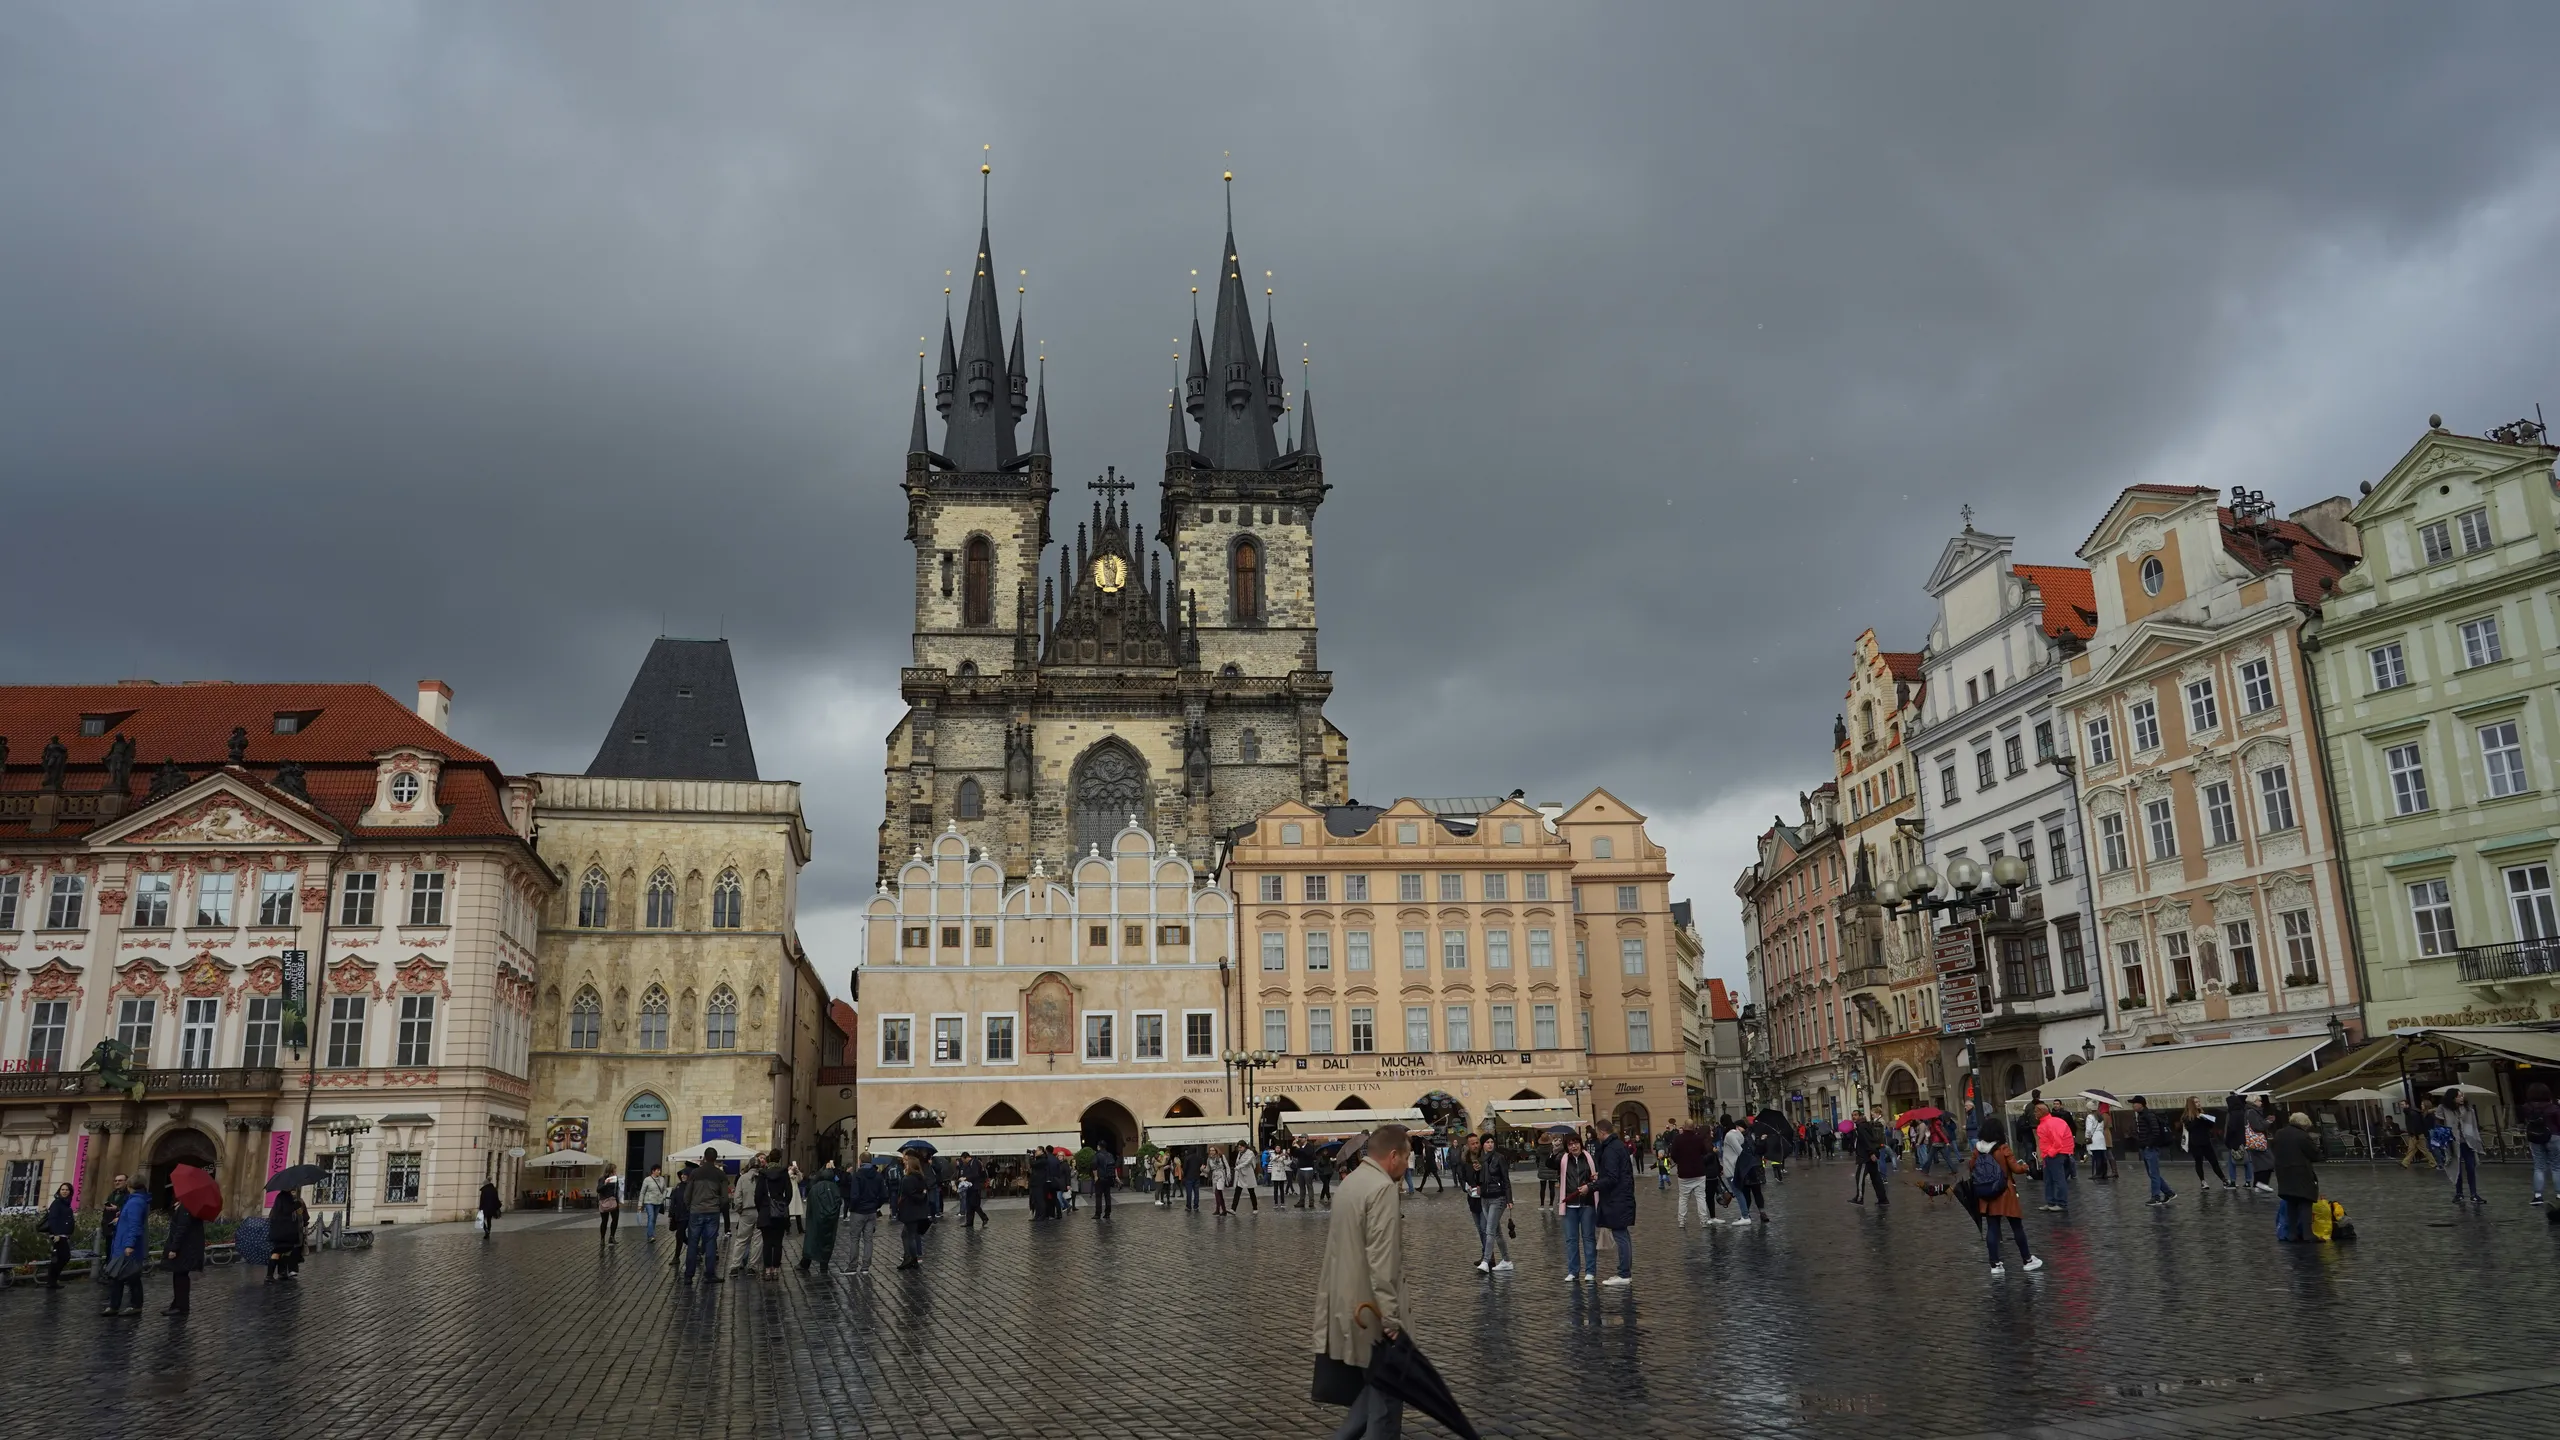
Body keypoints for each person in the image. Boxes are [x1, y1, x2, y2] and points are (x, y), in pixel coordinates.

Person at [1312, 1127, 1410, 1439]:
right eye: (1407, 1157)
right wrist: (1392, 1318)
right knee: (1385, 1409)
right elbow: (1382, 1261)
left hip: (1347, 1304)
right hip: (1373, 1312)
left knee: (1370, 1396)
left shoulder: (1352, 1182)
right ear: (1393, 1156)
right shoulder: (1382, 1189)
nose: (1409, 1165)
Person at [1971, 1113, 2041, 1277]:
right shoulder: (2003, 1148)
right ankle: (2027, 1260)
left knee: (1993, 1228)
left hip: (1987, 1193)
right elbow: (2016, 1169)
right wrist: (2025, 1167)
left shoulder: (1977, 1149)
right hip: (2005, 1191)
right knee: (2016, 1227)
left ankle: (1995, 1264)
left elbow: (1971, 1167)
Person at [1591, 1116, 1637, 1287]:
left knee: (1620, 1235)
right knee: (1623, 1234)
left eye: (1597, 1133)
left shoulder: (1611, 1149)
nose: (1597, 1136)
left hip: (1617, 1198)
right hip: (1622, 1196)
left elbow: (1612, 1177)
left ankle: (1624, 1273)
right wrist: (1600, 1175)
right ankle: (1625, 1271)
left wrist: (1593, 1185)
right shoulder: (1618, 1146)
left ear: (1602, 1132)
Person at [679, 1147, 730, 1283]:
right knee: (710, 1243)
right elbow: (725, 1198)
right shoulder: (720, 1175)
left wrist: (690, 1207)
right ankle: (709, 1274)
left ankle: (689, 1276)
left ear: (704, 1157)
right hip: (712, 1211)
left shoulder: (695, 1173)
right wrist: (718, 1206)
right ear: (715, 1158)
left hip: (696, 1211)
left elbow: (687, 1194)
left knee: (693, 1243)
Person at [2271, 1111, 2323, 1240]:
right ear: (2304, 1124)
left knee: (2291, 1201)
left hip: (2283, 1172)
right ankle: (2308, 1234)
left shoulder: (2279, 1133)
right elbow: (2314, 1154)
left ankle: (2292, 1233)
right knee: (2305, 1201)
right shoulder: (2302, 1136)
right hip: (2300, 1172)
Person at [1557, 1131, 1599, 1280]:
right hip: (1570, 1205)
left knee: (1588, 1238)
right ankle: (1573, 1271)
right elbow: (1549, 1163)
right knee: (1571, 1239)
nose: (1573, 1146)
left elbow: (1597, 1176)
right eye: (1570, 1144)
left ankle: (1590, 1271)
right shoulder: (1563, 1159)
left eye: (1575, 1143)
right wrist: (1554, 1149)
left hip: (1587, 1203)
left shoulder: (1589, 1158)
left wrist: (1593, 1181)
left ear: (1581, 1144)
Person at [102, 1183, 149, 1317]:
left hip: (126, 1246)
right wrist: (121, 1216)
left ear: (131, 1187)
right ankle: (114, 1305)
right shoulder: (135, 1201)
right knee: (118, 1276)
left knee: (131, 1276)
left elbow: (135, 1226)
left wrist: (129, 1245)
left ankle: (134, 1305)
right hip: (122, 1244)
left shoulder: (135, 1202)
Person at [841, 1156, 887, 1273]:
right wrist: (876, 1206)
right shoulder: (877, 1175)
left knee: (855, 1239)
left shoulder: (858, 1175)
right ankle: (865, 1266)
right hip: (871, 1211)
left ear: (860, 1161)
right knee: (868, 1239)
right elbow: (883, 1195)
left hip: (858, 1211)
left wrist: (853, 1207)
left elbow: (855, 1195)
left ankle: (852, 1266)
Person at [161, 1196, 206, 1316]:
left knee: (181, 1276)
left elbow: (182, 1228)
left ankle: (181, 1306)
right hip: (187, 1248)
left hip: (184, 1249)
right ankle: (178, 1304)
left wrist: (174, 1248)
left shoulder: (187, 1207)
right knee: (179, 1275)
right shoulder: (188, 1206)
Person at [1476, 1137, 1514, 1273]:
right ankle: (1507, 1260)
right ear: (1483, 1145)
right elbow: (1478, 1179)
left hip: (1498, 1197)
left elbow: (1506, 1179)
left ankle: (1486, 1261)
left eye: (1492, 1142)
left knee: (1489, 1230)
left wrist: (1509, 1200)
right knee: (1496, 1232)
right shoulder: (1480, 1159)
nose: (1490, 1144)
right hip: (1485, 1198)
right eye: (1487, 1142)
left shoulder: (1499, 1158)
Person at [753, 1152, 794, 1277]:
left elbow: (757, 1195)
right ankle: (775, 1269)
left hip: (765, 1210)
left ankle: (767, 1269)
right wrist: (783, 1203)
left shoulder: (763, 1175)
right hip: (779, 1211)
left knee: (767, 1242)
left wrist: (762, 1208)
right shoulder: (783, 1174)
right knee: (777, 1242)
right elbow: (789, 1193)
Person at [2441, 1090, 2486, 1205]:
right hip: (2453, 1142)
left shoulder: (2468, 1109)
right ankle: (2459, 1193)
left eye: (2462, 1095)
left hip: (2467, 1142)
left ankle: (2474, 1194)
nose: (2462, 1098)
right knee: (2457, 1169)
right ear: (2452, 1098)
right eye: (2459, 1096)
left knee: (2471, 1167)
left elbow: (2474, 1125)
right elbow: (2440, 1123)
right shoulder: (2444, 1109)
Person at [800, 1157, 844, 1272]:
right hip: (830, 1221)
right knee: (827, 1242)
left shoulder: (815, 1188)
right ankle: (823, 1264)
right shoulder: (835, 1188)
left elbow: (810, 1205)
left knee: (812, 1239)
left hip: (816, 1219)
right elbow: (838, 1203)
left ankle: (806, 1262)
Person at [2130, 1095, 2174, 1206]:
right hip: (2145, 1148)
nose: (2133, 1106)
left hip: (2151, 1148)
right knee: (2152, 1174)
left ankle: (2156, 1197)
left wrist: (2149, 1145)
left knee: (2154, 1173)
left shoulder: (2148, 1115)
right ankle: (2169, 1193)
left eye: (2134, 1103)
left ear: (2141, 1104)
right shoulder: (2141, 1116)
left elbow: (2155, 1131)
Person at [892, 1150, 933, 1270]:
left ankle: (911, 1258)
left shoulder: (908, 1179)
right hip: (919, 1212)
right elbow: (923, 1193)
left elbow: (910, 1194)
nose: (904, 1164)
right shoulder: (921, 1177)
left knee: (909, 1235)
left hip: (910, 1211)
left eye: (906, 1162)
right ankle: (910, 1257)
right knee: (909, 1234)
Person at [1670, 1119, 1715, 1228]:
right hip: (1699, 1172)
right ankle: (1703, 1221)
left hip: (1684, 1173)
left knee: (1683, 1198)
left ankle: (1682, 1221)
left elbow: (1673, 1154)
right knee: (1701, 1198)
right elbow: (1704, 1152)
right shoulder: (1698, 1139)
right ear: (1694, 1126)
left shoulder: (1678, 1139)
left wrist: (1680, 1162)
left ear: (1684, 1126)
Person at [2525, 1082, 2560, 1206]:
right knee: (2556, 1167)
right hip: (2553, 1136)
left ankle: (2537, 1195)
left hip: (2535, 1137)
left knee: (2539, 1166)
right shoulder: (2553, 1108)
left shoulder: (2527, 1107)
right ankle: (2559, 1193)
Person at [2036, 1103, 2075, 1214]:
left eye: (2036, 1111)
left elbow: (2057, 1142)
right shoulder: (2049, 1122)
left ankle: (2061, 1203)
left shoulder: (2049, 1123)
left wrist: (2050, 1153)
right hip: (2053, 1154)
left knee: (2058, 1179)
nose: (2035, 1113)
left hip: (2056, 1154)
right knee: (2049, 1179)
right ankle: (2051, 1202)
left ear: (2042, 1112)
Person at [2179, 1098, 2227, 1186]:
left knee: (2214, 1161)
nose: (2198, 1104)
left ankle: (2224, 1179)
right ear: (2192, 1104)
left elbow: (2210, 1126)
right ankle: (2203, 1181)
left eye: (2198, 1102)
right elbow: (2190, 1128)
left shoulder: (2202, 1114)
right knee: (2199, 1162)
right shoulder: (2187, 1117)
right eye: (2196, 1102)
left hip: (2206, 1141)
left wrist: (2205, 1118)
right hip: (2195, 1143)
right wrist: (2198, 1118)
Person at [39, 1182, 76, 1288]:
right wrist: (56, 1234)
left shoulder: (66, 1203)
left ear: (70, 1192)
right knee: (64, 1257)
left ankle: (52, 1281)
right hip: (58, 1235)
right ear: (59, 1191)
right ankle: (51, 1281)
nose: (64, 1192)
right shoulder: (57, 1203)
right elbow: (53, 1219)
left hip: (64, 1235)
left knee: (59, 1258)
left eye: (67, 1190)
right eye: (62, 1189)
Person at [2241, 1093, 2278, 1195]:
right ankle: (2262, 1183)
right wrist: (2268, 1122)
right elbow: (2258, 1127)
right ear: (2254, 1102)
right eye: (2259, 1101)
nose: (2261, 1103)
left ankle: (2259, 1184)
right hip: (2258, 1141)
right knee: (2269, 1162)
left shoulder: (2250, 1112)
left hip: (2255, 1142)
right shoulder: (2252, 1112)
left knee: (2259, 1163)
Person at [267, 1190, 306, 1282]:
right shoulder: (284, 1197)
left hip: (281, 1230)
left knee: (285, 1251)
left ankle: (282, 1272)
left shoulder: (280, 1197)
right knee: (278, 1251)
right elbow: (288, 1210)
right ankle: (269, 1275)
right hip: (284, 1231)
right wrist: (297, 1204)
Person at [637, 1164, 670, 1242]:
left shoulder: (662, 1179)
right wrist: (640, 1204)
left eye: (659, 1170)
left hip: (658, 1202)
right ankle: (650, 1236)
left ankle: (651, 1233)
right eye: (657, 1170)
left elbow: (665, 1189)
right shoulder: (647, 1180)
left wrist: (663, 1197)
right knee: (651, 1217)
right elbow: (642, 1192)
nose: (659, 1171)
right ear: (653, 1171)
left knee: (654, 1219)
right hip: (649, 1201)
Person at [956, 1152, 988, 1228]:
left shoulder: (974, 1163)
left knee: (974, 1204)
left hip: (975, 1187)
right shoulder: (968, 1164)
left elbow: (975, 1174)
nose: (963, 1161)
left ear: (966, 1157)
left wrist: (966, 1178)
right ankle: (969, 1222)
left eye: (963, 1159)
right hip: (969, 1187)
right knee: (969, 1205)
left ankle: (984, 1217)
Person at [2084, 1105, 2112, 1181]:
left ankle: (2098, 1173)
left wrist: (2087, 1137)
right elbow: (2102, 1128)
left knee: (2097, 1157)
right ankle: (2104, 1173)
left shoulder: (2090, 1117)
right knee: (2102, 1156)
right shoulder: (2100, 1117)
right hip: (2101, 1137)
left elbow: (2089, 1129)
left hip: (2094, 1138)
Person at [596, 1163, 622, 1245]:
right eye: (614, 1169)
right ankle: (602, 1238)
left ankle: (612, 1237)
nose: (615, 1171)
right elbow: (598, 1189)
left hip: (613, 1201)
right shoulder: (602, 1178)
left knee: (615, 1219)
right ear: (610, 1170)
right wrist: (605, 1184)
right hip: (604, 1201)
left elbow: (617, 1191)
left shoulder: (615, 1179)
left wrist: (618, 1201)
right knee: (604, 1220)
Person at [1093, 1140, 1118, 1220]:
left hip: (1101, 1178)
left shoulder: (1097, 1155)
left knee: (1098, 1196)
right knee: (1107, 1196)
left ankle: (1098, 1213)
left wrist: (1096, 1177)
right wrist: (1116, 1177)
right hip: (1109, 1177)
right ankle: (1107, 1213)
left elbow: (1094, 1166)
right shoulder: (1110, 1155)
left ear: (1099, 1146)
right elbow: (1114, 1166)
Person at [1230, 1142, 1258, 1212]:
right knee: (1237, 1191)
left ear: (1245, 1146)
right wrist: (1237, 1165)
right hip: (1241, 1174)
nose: (1239, 1149)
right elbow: (1238, 1161)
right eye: (1238, 1147)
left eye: (1240, 1147)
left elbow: (1247, 1162)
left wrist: (1238, 1167)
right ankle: (1233, 1209)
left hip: (1248, 1174)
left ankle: (1255, 1208)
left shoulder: (1250, 1153)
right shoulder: (1240, 1153)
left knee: (1251, 1191)